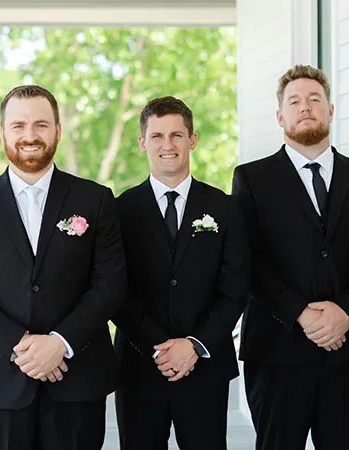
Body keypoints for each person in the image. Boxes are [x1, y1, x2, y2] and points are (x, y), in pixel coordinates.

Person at [0, 85, 127, 450]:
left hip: (77, 380)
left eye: (41, 125)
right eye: (19, 126)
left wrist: (60, 343)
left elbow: (110, 284)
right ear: (3, 133)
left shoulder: (95, 199)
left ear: (58, 131)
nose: (30, 136)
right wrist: (22, 345)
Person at [231, 64, 349, 450]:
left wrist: (346, 313)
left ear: (330, 110)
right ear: (280, 116)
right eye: (294, 101)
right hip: (277, 351)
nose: (305, 107)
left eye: (314, 99)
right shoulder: (251, 179)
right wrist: (303, 315)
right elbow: (247, 260)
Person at [111, 96, 249, 449]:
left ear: (193, 139)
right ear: (143, 143)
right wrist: (157, 348)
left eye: (176, 135)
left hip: (205, 364)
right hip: (141, 367)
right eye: (157, 136)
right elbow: (113, 288)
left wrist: (195, 345)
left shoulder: (225, 207)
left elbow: (235, 287)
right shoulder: (118, 210)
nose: (167, 145)